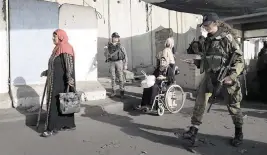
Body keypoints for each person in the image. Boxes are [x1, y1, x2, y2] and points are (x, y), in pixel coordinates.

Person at [182, 13, 244, 147]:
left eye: (207, 25)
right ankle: (193, 129)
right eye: (204, 25)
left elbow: (239, 60)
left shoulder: (227, 39)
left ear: (215, 23)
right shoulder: (206, 40)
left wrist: (232, 76)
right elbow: (207, 59)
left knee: (233, 106)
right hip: (210, 77)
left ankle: (239, 132)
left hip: (225, 77)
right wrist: (196, 62)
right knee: (200, 102)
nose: (205, 27)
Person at [40, 29, 76, 137]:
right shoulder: (57, 48)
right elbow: (56, 65)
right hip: (54, 80)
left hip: (61, 82)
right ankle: (64, 124)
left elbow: (69, 65)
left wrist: (70, 80)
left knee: (57, 103)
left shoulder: (65, 48)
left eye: (54, 37)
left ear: (60, 37)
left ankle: (51, 128)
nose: (52, 39)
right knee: (60, 103)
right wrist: (47, 72)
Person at [104, 32, 128, 98]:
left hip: (119, 62)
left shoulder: (120, 46)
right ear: (112, 38)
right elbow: (106, 55)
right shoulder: (108, 46)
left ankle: (122, 92)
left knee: (121, 77)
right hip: (112, 63)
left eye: (117, 37)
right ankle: (113, 91)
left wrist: (125, 64)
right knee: (113, 77)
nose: (116, 38)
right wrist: (106, 50)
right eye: (115, 37)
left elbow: (125, 55)